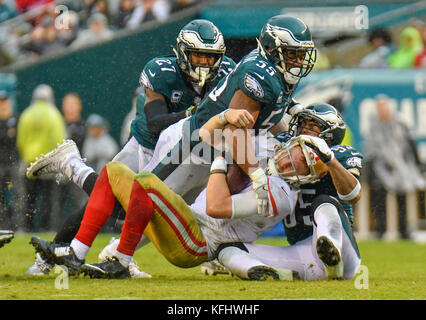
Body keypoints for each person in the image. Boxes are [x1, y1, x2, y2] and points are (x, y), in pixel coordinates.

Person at [25, 19, 236, 276]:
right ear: (182, 52)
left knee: (148, 209)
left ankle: (109, 251)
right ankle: (72, 176)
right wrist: (196, 113)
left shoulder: (227, 73)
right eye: (198, 56)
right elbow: (156, 124)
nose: (204, 64)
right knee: (113, 205)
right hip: (147, 146)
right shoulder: (162, 72)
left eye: (210, 58)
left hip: (188, 152)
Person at [29, 131, 328, 280]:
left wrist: (223, 158)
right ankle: (77, 251)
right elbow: (225, 131)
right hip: (187, 221)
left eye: (302, 165)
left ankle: (120, 259)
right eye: (297, 152)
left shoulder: (282, 195)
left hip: (198, 243)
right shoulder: (270, 149)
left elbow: (217, 206)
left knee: (146, 181)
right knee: (113, 172)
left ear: (306, 178)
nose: (291, 161)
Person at [364, 94, 425, 239]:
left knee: (402, 197)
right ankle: (381, 229)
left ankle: (403, 229)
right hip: (381, 167)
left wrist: (416, 163)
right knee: (379, 199)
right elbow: (371, 149)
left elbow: (409, 143)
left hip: (400, 166)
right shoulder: (374, 125)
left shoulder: (399, 122)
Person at [16, 84, 66, 232]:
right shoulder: (54, 114)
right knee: (47, 199)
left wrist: (27, 156)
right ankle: (46, 228)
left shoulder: (26, 114)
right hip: (48, 163)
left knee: (29, 199)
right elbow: (59, 139)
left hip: (30, 161)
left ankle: (26, 227)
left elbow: (21, 141)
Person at [0, 90, 24, 230]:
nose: (3, 104)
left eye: (4, 101)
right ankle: (3, 228)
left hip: (14, 163)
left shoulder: (17, 119)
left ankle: (19, 227)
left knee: (18, 196)